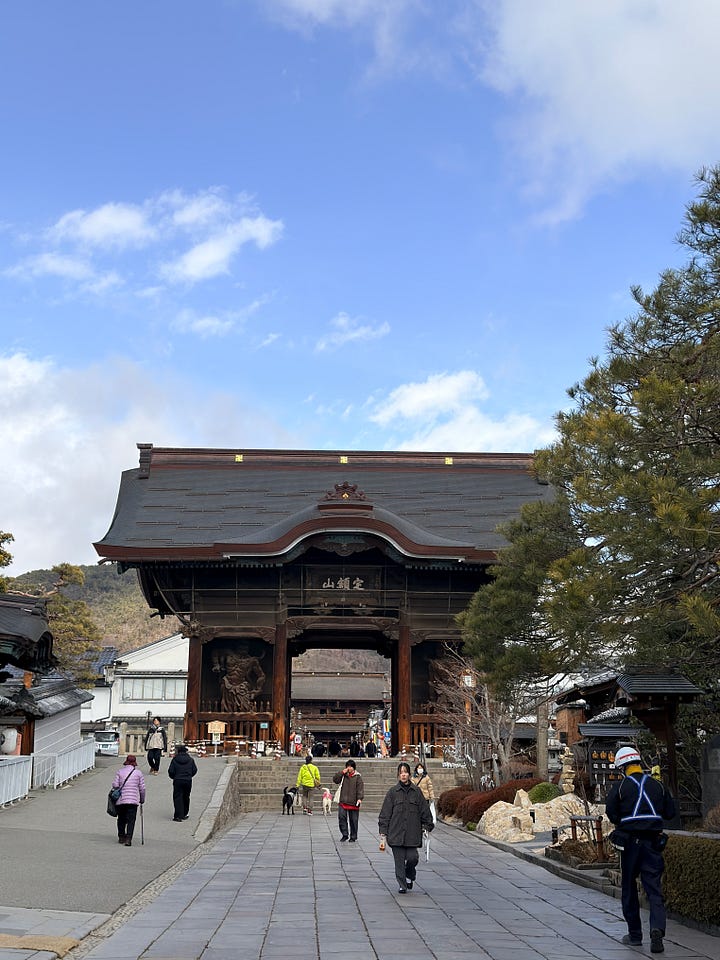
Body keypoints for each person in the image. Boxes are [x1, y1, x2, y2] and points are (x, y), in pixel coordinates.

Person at [605, 745, 677, 954]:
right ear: (638, 762)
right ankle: (657, 929)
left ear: (622, 767)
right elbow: (670, 813)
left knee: (629, 889)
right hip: (653, 844)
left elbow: (612, 813)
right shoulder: (658, 786)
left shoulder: (620, 787)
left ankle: (635, 935)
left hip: (630, 845)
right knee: (654, 890)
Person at [378, 761, 434, 894]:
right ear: (398, 775)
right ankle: (402, 884)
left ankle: (410, 875)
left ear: (409, 774)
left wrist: (427, 825)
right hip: (395, 833)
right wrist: (383, 832)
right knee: (399, 861)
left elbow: (424, 810)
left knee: (413, 858)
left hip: (412, 834)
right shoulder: (392, 792)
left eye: (405, 772)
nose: (403, 775)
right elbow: (385, 813)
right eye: (401, 773)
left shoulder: (416, 792)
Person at [111, 754, 145, 846]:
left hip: (121, 800)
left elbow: (115, 785)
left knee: (121, 818)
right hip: (133, 801)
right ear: (134, 763)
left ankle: (121, 837)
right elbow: (142, 788)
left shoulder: (120, 771)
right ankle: (128, 839)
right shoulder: (138, 773)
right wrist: (142, 799)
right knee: (131, 820)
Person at [332, 759, 364, 842]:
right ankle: (345, 834)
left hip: (353, 802)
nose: (349, 768)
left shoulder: (358, 777)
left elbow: (360, 789)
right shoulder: (344, 775)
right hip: (343, 800)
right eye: (348, 766)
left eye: (350, 767)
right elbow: (335, 780)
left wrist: (359, 798)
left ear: (354, 768)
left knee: (353, 820)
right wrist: (342, 772)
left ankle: (353, 836)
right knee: (341, 817)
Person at [168, 743, 198, 821]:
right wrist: (189, 776)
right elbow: (194, 770)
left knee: (177, 797)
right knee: (186, 796)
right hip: (187, 780)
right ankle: (184, 813)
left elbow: (171, 771)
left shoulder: (174, 760)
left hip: (178, 780)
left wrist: (174, 777)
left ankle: (178, 815)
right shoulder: (191, 760)